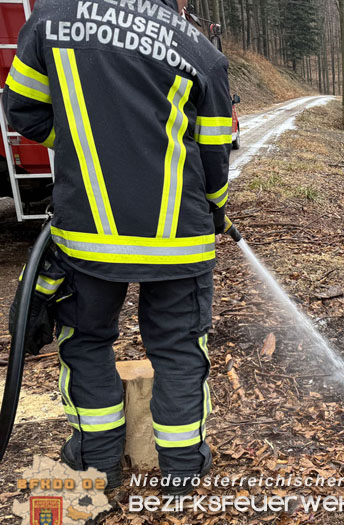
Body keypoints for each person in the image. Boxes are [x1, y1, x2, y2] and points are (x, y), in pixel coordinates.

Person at [4, 0, 232, 494]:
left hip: (87, 234)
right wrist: (216, 207)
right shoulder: (198, 48)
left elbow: (22, 110)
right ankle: (183, 472)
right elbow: (214, 149)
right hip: (178, 240)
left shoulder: (50, 20)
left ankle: (96, 463)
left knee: (85, 342)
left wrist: (88, 150)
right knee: (179, 349)